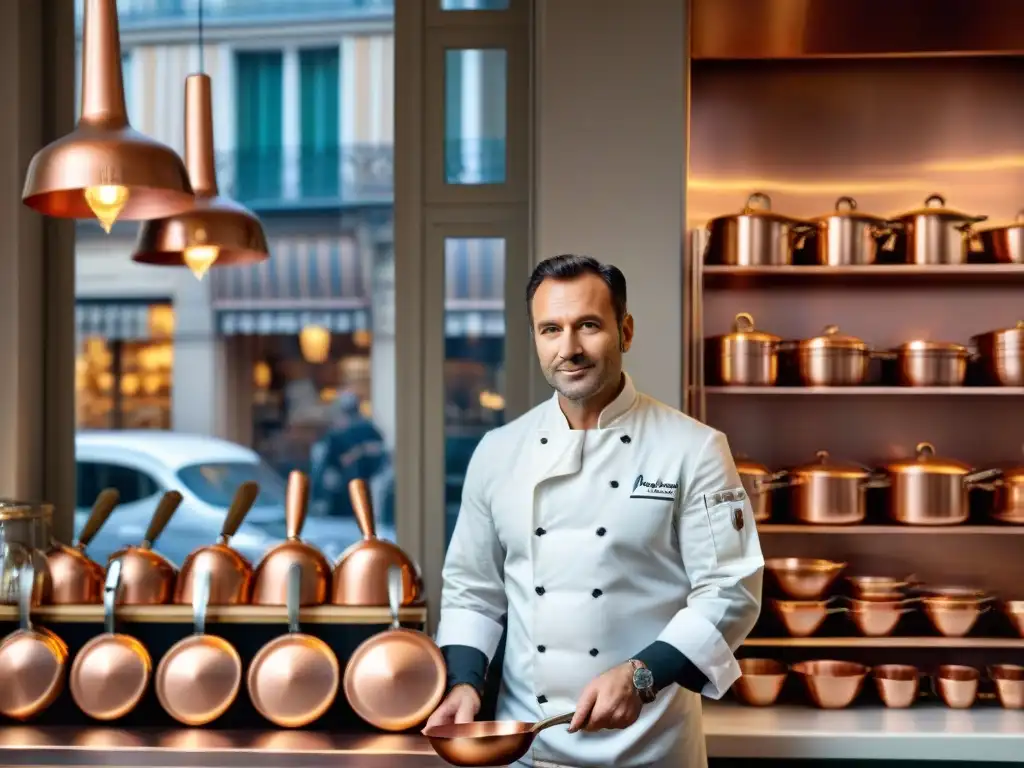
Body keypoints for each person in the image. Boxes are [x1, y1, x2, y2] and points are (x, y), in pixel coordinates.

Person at [425, 254, 764, 768]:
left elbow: (731, 590)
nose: (569, 349)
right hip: (528, 745)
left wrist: (641, 674)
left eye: (588, 325)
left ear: (624, 331)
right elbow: (473, 591)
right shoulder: (498, 450)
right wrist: (464, 683)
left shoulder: (692, 448)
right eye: (550, 329)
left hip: (649, 747)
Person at [308, 390, 388, 519]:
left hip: (362, 488)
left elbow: (379, 450)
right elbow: (326, 465)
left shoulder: (366, 429)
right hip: (338, 493)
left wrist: (360, 451)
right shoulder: (333, 436)